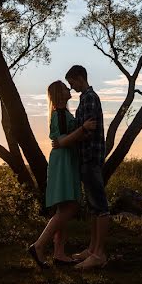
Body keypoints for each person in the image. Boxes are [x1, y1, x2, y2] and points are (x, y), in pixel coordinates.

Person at [28, 81, 95, 269]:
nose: (69, 89)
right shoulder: (59, 114)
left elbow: (66, 139)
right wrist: (83, 128)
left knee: (63, 208)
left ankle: (59, 254)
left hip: (66, 159)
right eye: (66, 88)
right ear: (59, 94)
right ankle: (39, 245)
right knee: (70, 207)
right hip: (63, 162)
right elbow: (62, 141)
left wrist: (79, 133)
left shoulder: (63, 113)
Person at [56, 64, 109, 270]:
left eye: (72, 82)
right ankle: (92, 249)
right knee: (94, 207)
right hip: (87, 157)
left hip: (90, 156)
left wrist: (64, 140)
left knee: (101, 207)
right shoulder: (86, 98)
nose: (71, 87)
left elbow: (87, 130)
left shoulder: (88, 98)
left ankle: (99, 254)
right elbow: (83, 127)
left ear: (79, 78)